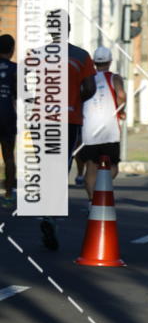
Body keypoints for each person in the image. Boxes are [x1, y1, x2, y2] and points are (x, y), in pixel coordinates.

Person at [40, 17, 96, 250]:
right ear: (69, 29)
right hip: (69, 118)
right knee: (61, 166)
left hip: (43, 118)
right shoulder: (82, 56)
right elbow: (91, 88)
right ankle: (50, 215)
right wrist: (77, 98)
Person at [80, 47, 126, 203]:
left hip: (89, 129)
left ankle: (92, 201)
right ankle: (102, 185)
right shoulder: (115, 78)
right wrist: (121, 111)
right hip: (110, 129)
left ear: (94, 62)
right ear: (110, 61)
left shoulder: (86, 79)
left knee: (90, 166)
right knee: (112, 166)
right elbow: (120, 95)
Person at [0, 34, 17, 205]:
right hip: (6, 115)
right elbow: (21, 93)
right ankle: (8, 194)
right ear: (12, 50)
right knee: (8, 156)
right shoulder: (15, 69)